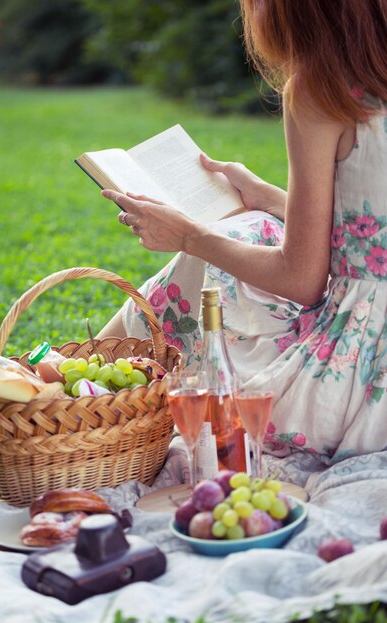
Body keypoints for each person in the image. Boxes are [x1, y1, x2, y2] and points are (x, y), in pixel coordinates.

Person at [97, 0, 387, 465]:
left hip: (359, 380)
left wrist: (189, 235)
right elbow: (372, 239)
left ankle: (79, 380)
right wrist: (271, 198)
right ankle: (87, 367)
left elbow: (301, 280)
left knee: (219, 249)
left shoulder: (325, 88)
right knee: (255, 224)